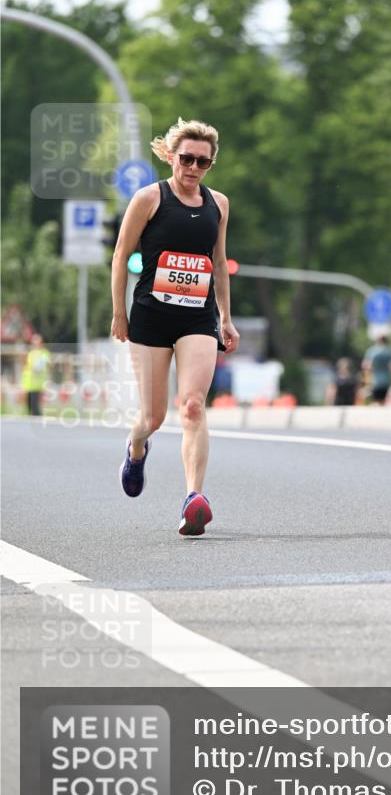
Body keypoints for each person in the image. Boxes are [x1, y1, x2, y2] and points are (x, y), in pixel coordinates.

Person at [110, 118, 240, 536]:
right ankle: (135, 448)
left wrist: (226, 318)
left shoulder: (217, 204)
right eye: (186, 158)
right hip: (150, 317)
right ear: (171, 156)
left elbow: (218, 264)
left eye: (203, 161)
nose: (193, 167)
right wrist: (119, 312)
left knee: (193, 406)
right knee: (153, 416)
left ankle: (193, 500)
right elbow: (120, 255)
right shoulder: (149, 198)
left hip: (197, 318)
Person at [362, 335, 391, 405]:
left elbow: (366, 365)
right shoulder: (389, 351)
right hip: (386, 380)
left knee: (375, 400)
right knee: (382, 401)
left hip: (374, 380)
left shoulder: (372, 351)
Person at [21, 333, 50, 416]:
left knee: (34, 404)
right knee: (29, 404)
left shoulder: (44, 353)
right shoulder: (31, 353)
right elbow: (27, 366)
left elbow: (42, 365)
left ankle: (38, 419)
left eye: (37, 340)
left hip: (37, 382)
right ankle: (34, 418)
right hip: (29, 382)